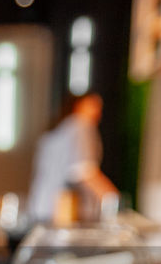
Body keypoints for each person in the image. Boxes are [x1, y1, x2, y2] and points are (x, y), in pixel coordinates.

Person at [26, 92, 119, 223]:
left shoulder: (59, 129)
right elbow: (84, 170)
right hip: (63, 210)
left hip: (41, 204)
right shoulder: (80, 125)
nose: (98, 112)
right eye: (93, 105)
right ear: (78, 105)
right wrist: (112, 197)